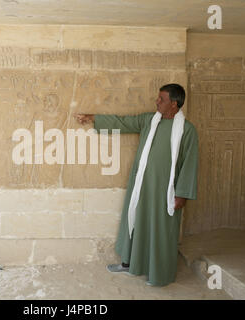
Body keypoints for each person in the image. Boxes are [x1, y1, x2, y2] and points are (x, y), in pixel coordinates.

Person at [74, 83, 198, 287]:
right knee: (135, 222)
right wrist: (92, 118)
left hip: (166, 192)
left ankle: (159, 274)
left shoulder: (188, 130)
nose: (157, 102)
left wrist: (182, 194)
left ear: (174, 104)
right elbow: (123, 123)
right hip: (141, 187)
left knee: (161, 230)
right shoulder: (149, 120)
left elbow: (190, 164)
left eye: (162, 99)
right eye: (158, 98)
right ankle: (129, 264)